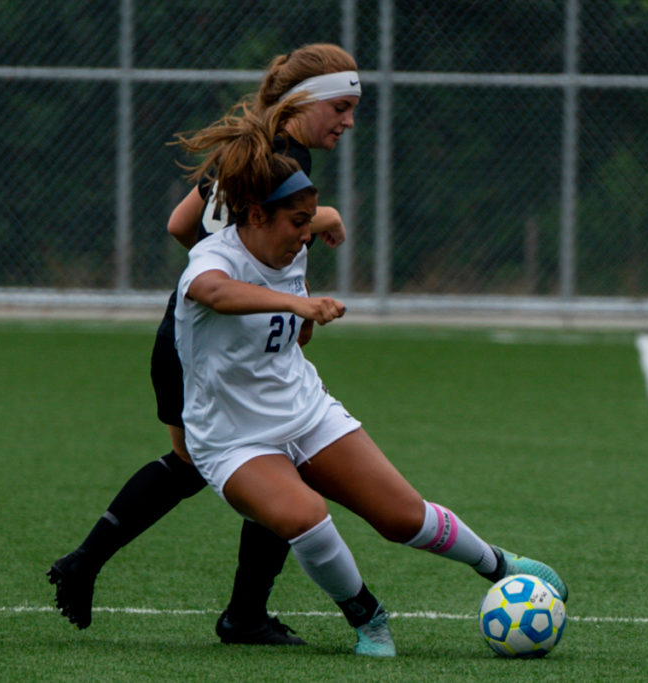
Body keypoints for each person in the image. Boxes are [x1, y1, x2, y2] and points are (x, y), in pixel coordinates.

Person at [171, 97, 568, 657]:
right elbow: (212, 293)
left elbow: (288, 316)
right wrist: (301, 311)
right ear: (255, 216)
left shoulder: (293, 244)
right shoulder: (214, 260)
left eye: (310, 222)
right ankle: (368, 616)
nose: (305, 235)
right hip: (232, 437)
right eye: (297, 223)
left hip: (304, 411)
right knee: (306, 516)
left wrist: (301, 312)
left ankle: (500, 563)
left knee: (402, 517)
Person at [49, 44, 360, 645]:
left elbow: (179, 226)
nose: (348, 121)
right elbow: (253, 235)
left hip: (188, 334)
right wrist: (322, 218)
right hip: (212, 347)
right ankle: (241, 614)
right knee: (275, 456)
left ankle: (88, 562)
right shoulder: (279, 162)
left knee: (201, 463)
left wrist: (236, 259)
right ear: (308, 103)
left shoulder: (251, 146)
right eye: (342, 107)